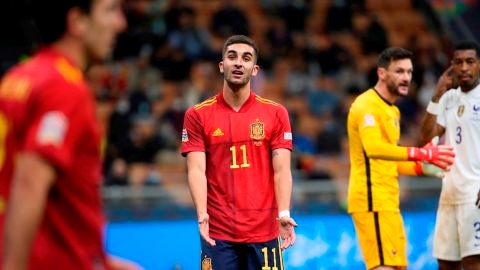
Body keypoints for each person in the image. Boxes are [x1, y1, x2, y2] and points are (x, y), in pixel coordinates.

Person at [0, 0, 141, 269]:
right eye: (110, 10)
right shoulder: (64, 88)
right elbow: (29, 184)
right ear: (78, 21)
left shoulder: (18, 78)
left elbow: (55, 212)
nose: (120, 24)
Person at [181, 35, 297, 269]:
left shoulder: (276, 113)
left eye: (246, 58)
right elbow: (196, 169)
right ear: (222, 65)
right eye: (232, 56)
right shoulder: (197, 115)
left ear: (254, 70)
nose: (238, 63)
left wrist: (284, 212)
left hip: (264, 231)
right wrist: (202, 213)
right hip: (218, 234)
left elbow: (282, 170)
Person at [347, 47, 455, 270]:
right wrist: (421, 153)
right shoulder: (366, 105)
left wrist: (423, 168)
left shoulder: (392, 111)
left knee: (397, 266)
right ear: (382, 73)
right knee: (383, 266)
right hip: (371, 200)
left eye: (409, 71)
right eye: (399, 71)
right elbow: (374, 149)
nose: (406, 77)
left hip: (388, 202)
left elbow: (390, 159)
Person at [419, 40, 480, 270]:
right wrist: (436, 96)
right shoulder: (448, 99)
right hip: (449, 194)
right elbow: (426, 138)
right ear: (452, 66)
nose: (464, 67)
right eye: (458, 62)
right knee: (446, 264)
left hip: (475, 195)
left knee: (473, 262)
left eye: (470, 62)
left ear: (479, 64)